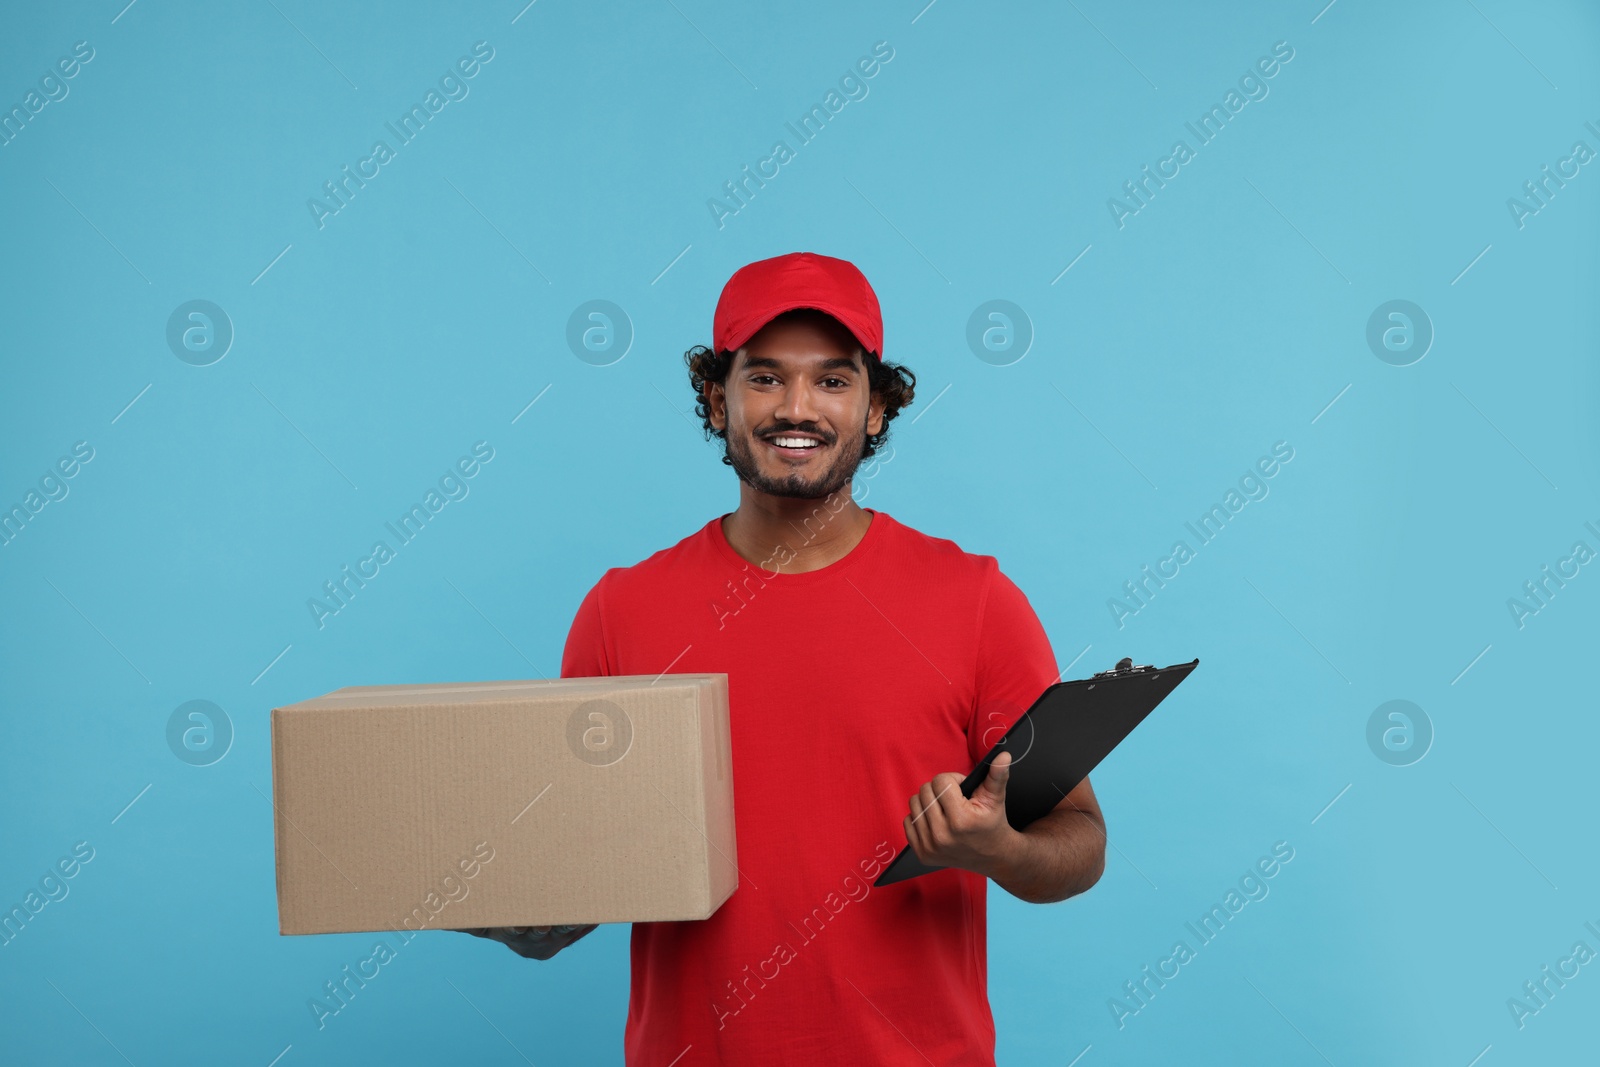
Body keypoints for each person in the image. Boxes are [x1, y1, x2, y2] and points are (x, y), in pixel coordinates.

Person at [464, 252, 1107, 1064]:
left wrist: (1001, 850)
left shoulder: (974, 600)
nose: (796, 408)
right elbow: (588, 871)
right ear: (715, 397)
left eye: (833, 381)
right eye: (764, 377)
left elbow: (1079, 838)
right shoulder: (621, 612)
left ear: (877, 408)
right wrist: (530, 915)